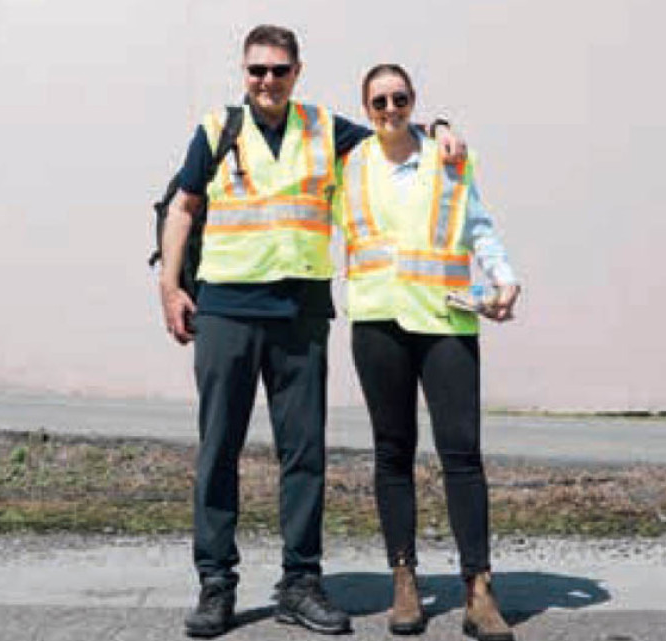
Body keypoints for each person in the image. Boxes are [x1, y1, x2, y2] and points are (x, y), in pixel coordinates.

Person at [159, 26, 466, 638]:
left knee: (304, 456)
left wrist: (437, 127)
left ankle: (300, 582)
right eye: (256, 71)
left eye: (278, 70)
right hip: (225, 312)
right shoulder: (218, 130)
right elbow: (184, 206)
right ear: (243, 73)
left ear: (297, 72)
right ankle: (216, 584)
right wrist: (171, 287)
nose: (266, 81)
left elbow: (392, 133)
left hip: (299, 317)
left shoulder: (326, 129)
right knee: (218, 449)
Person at [334, 63, 520, 640]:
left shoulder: (449, 157)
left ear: (413, 101)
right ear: (364, 109)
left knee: (462, 453)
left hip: (447, 318)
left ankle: (478, 589)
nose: (390, 109)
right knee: (393, 452)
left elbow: (478, 224)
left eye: (400, 99)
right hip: (379, 321)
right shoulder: (349, 162)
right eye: (378, 101)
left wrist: (504, 276)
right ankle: (404, 581)